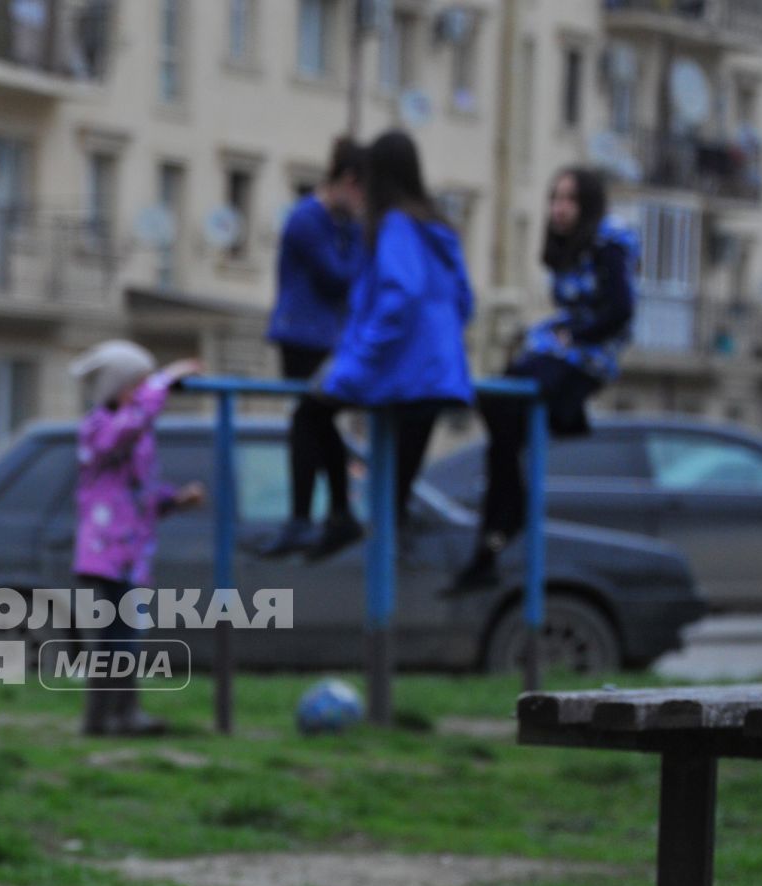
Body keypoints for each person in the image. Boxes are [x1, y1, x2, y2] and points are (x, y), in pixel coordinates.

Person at [446, 167, 637, 595]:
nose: (559, 208)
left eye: (569, 200)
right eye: (555, 199)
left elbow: (621, 310)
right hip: (561, 346)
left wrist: (578, 335)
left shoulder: (609, 242)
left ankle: (508, 516)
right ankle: (491, 541)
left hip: (590, 355)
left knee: (511, 405)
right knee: (497, 414)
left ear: (586, 205)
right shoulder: (564, 248)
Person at [314, 130, 475, 531]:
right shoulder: (437, 228)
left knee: (311, 413)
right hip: (438, 377)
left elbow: (400, 296)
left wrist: (360, 362)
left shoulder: (396, 227)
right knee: (395, 504)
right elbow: (465, 301)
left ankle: (326, 519)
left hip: (407, 376)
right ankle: (389, 566)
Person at [68, 341, 205, 737]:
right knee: (119, 639)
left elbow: (136, 494)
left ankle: (108, 718)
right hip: (106, 553)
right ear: (119, 387)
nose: (147, 392)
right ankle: (116, 716)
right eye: (139, 383)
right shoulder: (99, 428)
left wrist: (175, 500)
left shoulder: (135, 434)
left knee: (122, 638)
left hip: (131, 553)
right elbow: (123, 433)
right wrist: (164, 380)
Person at [258, 137, 367, 560]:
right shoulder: (308, 220)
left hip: (328, 337)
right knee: (311, 418)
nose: (362, 205)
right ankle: (322, 514)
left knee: (315, 420)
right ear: (348, 181)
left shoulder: (338, 223)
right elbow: (337, 277)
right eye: (362, 194)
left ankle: (326, 514)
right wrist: (362, 237)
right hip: (303, 338)